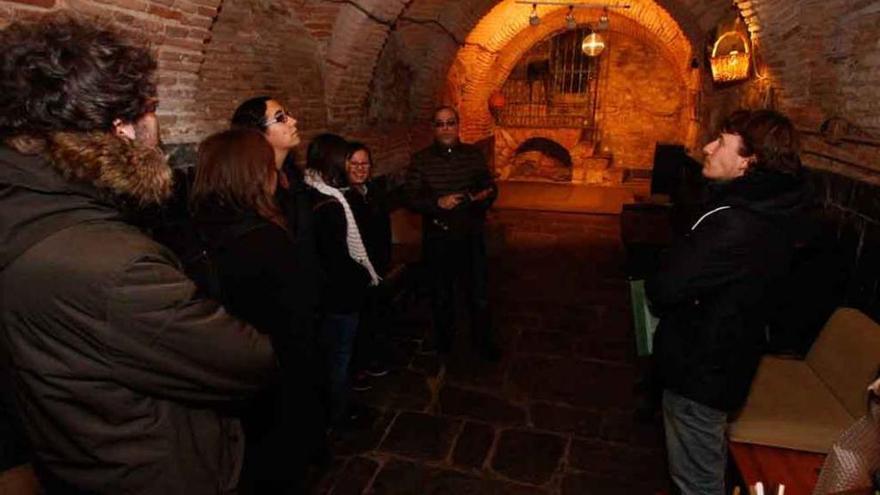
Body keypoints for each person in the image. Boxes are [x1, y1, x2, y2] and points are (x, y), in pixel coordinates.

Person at [0, 15, 277, 494]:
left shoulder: (21, 201)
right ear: (122, 129)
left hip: (75, 460)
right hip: (154, 472)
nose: (157, 121)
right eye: (150, 106)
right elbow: (248, 360)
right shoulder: (114, 265)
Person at [646, 109, 810, 495]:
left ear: (747, 161)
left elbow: (665, 287)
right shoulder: (777, 211)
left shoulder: (734, 222)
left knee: (697, 482)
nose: (706, 147)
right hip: (729, 358)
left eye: (720, 141)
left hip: (700, 369)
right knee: (705, 460)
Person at [189, 129, 322, 494]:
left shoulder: (195, 229)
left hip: (221, 385)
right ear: (255, 173)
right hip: (270, 387)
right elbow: (297, 330)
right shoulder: (268, 241)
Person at [404, 106, 500, 360]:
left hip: (471, 234)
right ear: (433, 128)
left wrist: (482, 197)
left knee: (478, 293)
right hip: (438, 237)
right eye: (440, 124)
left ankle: (483, 343)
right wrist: (438, 203)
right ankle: (444, 344)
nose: (446, 128)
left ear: (458, 126)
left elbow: (489, 187)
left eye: (450, 123)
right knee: (441, 294)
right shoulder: (420, 160)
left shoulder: (473, 156)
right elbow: (412, 197)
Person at [304, 134, 380, 429]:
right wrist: (362, 279)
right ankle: (339, 414)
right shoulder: (332, 204)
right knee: (339, 356)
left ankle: (334, 410)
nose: (352, 165)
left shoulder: (310, 191)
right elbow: (338, 259)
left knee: (332, 354)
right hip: (339, 295)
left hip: (323, 294)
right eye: (347, 159)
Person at [344, 142, 394, 389]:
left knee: (375, 316)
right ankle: (357, 368)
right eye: (354, 164)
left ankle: (371, 358)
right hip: (355, 270)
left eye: (365, 163)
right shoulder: (342, 197)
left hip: (377, 265)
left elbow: (382, 228)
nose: (360, 168)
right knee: (357, 322)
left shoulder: (373, 191)